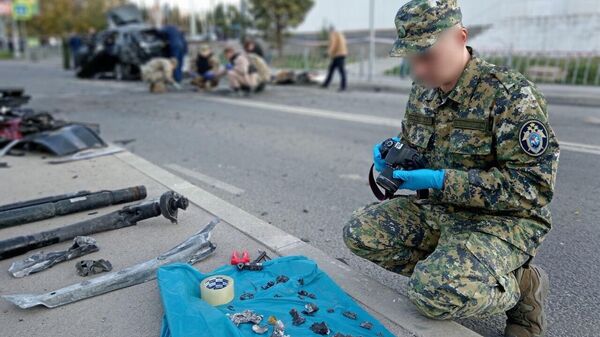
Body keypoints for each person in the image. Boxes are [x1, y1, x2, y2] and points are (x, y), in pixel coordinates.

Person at [342, 2, 559, 337]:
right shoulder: (423, 92)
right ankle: (456, 269)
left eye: (427, 55)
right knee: (360, 233)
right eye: (411, 58)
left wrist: (442, 180)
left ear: (460, 37)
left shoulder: (510, 94)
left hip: (502, 220)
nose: (418, 70)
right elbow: (413, 144)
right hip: (440, 210)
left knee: (431, 295)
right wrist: (393, 157)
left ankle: (521, 287)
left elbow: (533, 187)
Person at [321, 27, 347, 91]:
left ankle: (343, 86)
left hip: (338, 55)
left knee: (341, 71)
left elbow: (333, 44)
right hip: (342, 53)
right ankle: (326, 84)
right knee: (331, 69)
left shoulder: (333, 35)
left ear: (330, 30)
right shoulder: (340, 34)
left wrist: (327, 53)